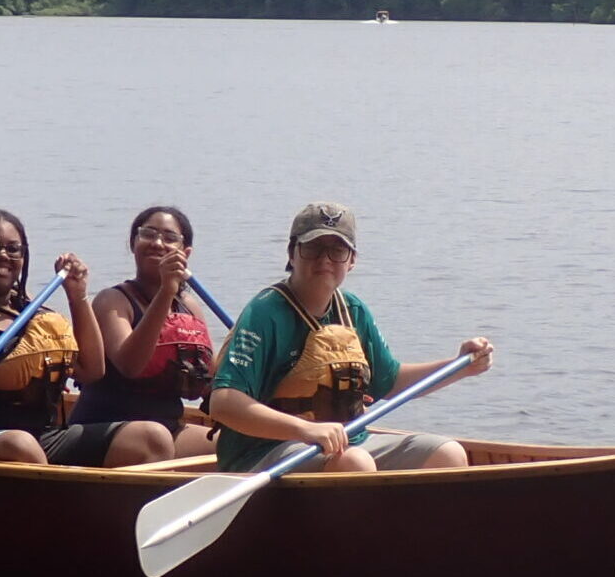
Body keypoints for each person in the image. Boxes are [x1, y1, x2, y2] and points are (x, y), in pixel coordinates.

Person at [207, 202, 494, 473]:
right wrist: (305, 429)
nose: (325, 259)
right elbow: (223, 402)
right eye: (313, 248)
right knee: (355, 463)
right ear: (292, 253)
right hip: (264, 454)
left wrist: (460, 366)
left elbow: (391, 381)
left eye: (337, 250)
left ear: (352, 260)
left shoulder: (352, 310)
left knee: (448, 453)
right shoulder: (265, 313)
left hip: (347, 443)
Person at [0, 208, 173, 467]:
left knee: (150, 436)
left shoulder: (38, 316)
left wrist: (78, 297)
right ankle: (58, 513)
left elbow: (92, 370)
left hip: (42, 439)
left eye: (13, 249)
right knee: (19, 444)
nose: (3, 254)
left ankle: (124, 516)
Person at [70, 205, 220, 455]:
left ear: (186, 252)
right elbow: (131, 365)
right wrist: (166, 292)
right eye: (148, 234)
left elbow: (208, 378)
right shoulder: (112, 301)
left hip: (167, 427)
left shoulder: (189, 306)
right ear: (133, 243)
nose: (158, 243)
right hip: (109, 426)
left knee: (233, 445)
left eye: (170, 238)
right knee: (153, 438)